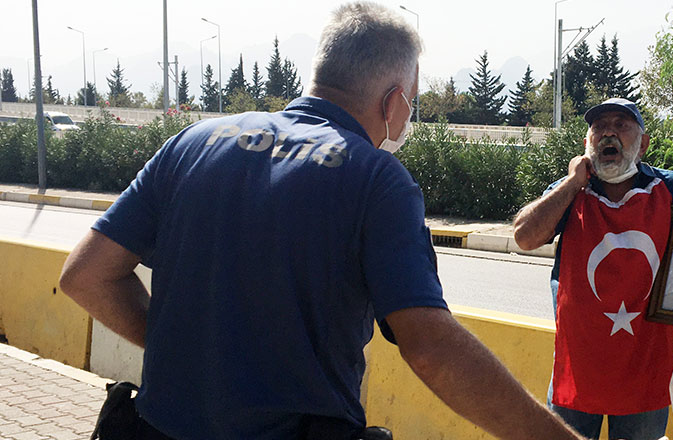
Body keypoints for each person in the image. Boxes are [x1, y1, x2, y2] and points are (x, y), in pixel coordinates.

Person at [58, 3, 584, 440]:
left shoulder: (191, 144)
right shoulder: (378, 180)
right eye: (413, 104)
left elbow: (85, 275)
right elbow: (430, 347)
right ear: (393, 101)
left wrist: (191, 355)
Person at [514, 97, 673, 440]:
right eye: (599, 127)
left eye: (621, 125)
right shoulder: (569, 192)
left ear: (642, 143)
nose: (608, 134)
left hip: (646, 369)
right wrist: (572, 184)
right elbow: (524, 237)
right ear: (587, 141)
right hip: (577, 367)